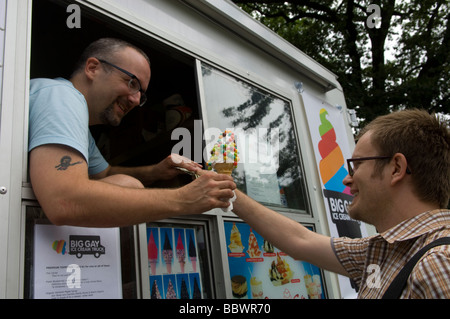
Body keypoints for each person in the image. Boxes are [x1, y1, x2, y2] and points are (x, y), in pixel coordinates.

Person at [226, 109, 450, 298]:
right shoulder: (383, 249)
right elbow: (300, 241)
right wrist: (227, 191)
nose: (347, 178)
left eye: (357, 164)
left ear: (396, 169)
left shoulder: (437, 263)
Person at [28, 38, 236, 227]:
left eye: (141, 94)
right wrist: (185, 199)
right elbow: (65, 201)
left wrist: (156, 171)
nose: (136, 100)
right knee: (129, 185)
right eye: (132, 83)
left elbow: (106, 173)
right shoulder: (62, 96)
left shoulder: (80, 126)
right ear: (92, 68)